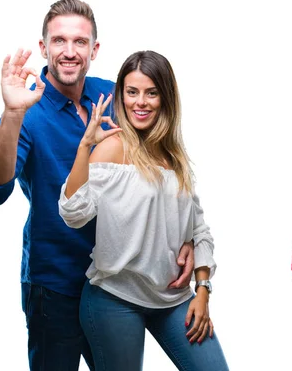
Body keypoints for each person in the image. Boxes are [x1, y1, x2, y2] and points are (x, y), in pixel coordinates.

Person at [0, 0, 194, 370]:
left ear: (94, 49)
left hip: (117, 285)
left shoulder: (114, 95)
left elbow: (163, 165)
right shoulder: (28, 110)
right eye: (59, 41)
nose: (69, 52)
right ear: (44, 48)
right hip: (56, 285)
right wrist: (13, 113)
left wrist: (185, 237)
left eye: (80, 42)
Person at [58, 50, 229, 371]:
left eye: (151, 93)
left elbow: (200, 231)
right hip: (114, 298)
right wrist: (85, 147)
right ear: (121, 95)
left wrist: (203, 289)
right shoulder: (114, 147)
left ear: (165, 98)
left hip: (172, 299)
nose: (141, 102)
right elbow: (73, 213)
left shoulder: (175, 157)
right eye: (132, 92)